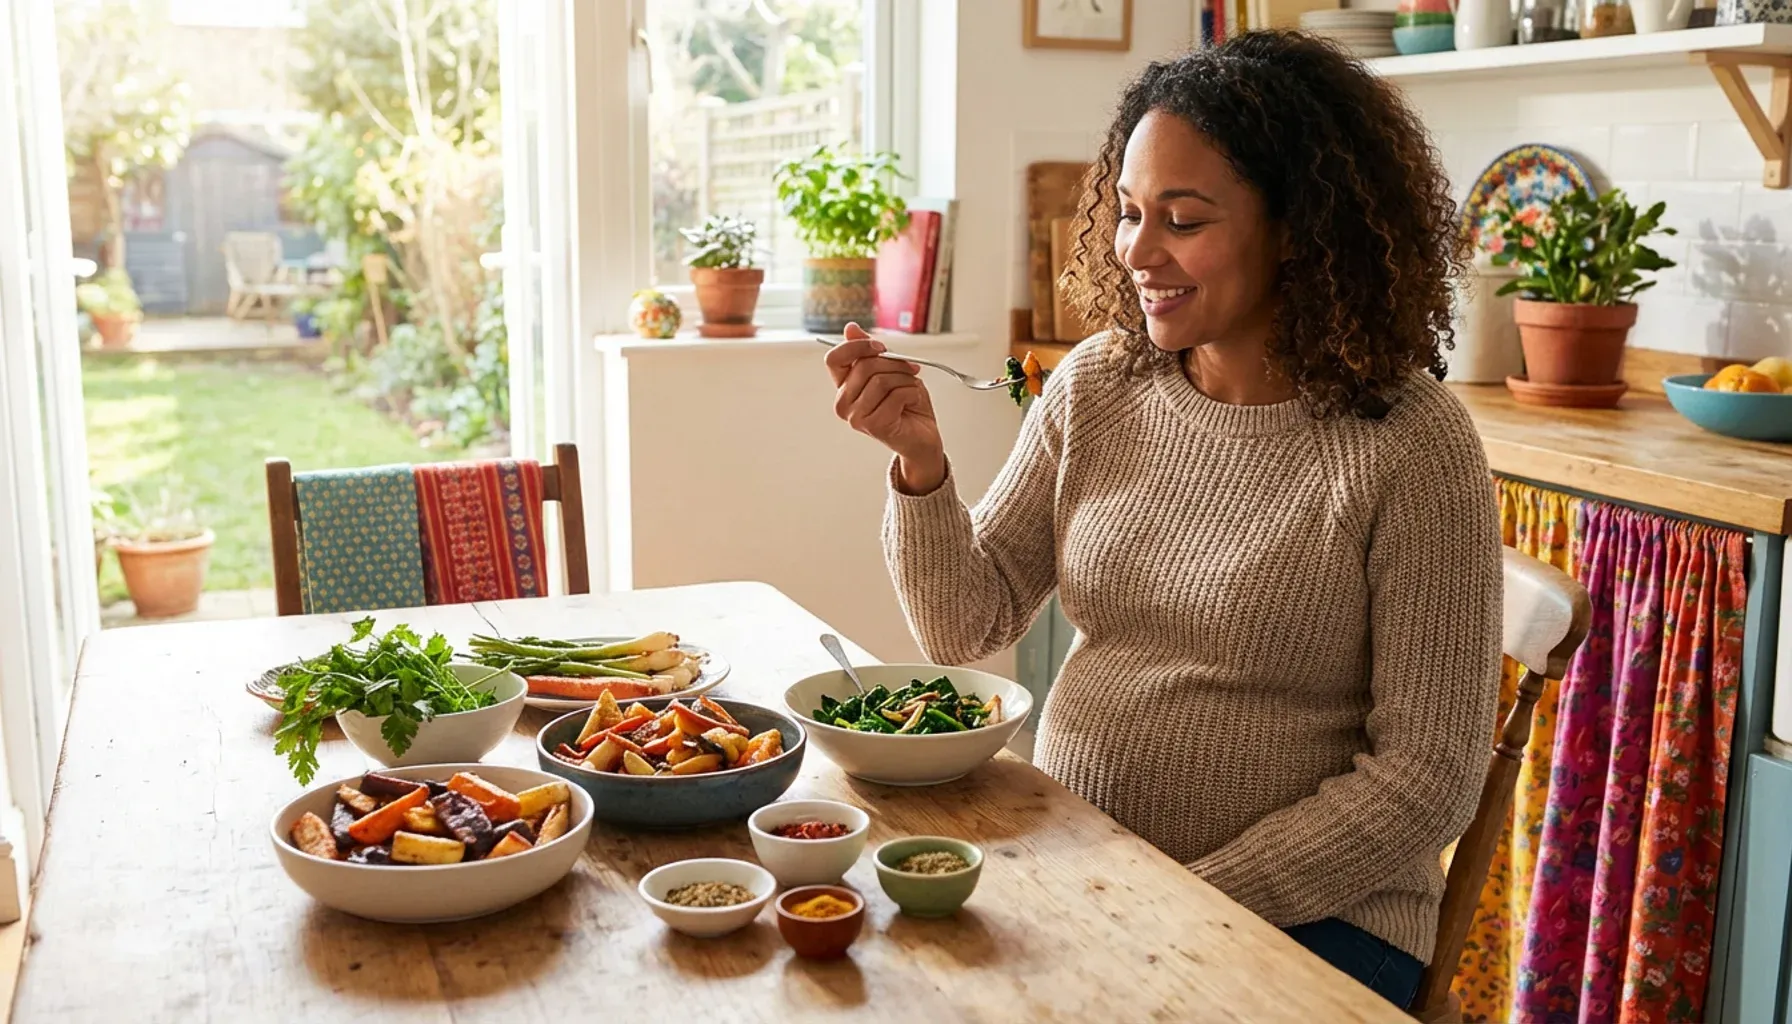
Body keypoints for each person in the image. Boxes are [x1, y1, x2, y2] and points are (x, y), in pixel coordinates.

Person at [823, 31, 1501, 1010]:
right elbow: (968, 625)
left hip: (1320, 920)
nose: (1136, 251)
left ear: (1298, 229)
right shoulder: (1101, 382)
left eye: (1181, 220)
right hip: (1093, 872)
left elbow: (1421, 782)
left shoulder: (1408, 442)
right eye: (1131, 212)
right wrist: (921, 467)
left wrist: (1184, 903)